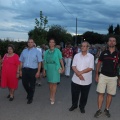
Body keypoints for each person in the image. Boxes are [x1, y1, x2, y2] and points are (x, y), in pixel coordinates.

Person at [94, 36, 120, 118]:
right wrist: (96, 74)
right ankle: (99, 110)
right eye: (110, 41)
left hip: (113, 77)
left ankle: (107, 109)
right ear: (108, 42)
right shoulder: (103, 53)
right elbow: (99, 63)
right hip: (103, 76)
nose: (112, 42)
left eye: (113, 41)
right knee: (101, 93)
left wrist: (119, 78)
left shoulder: (118, 54)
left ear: (115, 43)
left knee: (110, 94)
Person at [69, 41, 94, 113]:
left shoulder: (91, 56)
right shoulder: (76, 55)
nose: (83, 47)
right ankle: (74, 105)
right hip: (75, 79)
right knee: (74, 94)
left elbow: (90, 68)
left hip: (86, 80)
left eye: (84, 46)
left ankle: (82, 107)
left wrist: (80, 73)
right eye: (82, 46)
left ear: (87, 47)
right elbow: (73, 66)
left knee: (84, 95)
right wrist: (79, 74)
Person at [19, 38, 42, 104]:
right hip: (25, 69)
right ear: (27, 43)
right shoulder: (24, 51)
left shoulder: (37, 51)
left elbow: (39, 62)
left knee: (32, 85)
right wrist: (20, 70)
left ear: (33, 43)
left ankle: (30, 98)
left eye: (31, 42)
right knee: (24, 83)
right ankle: (29, 93)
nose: (30, 43)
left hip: (33, 70)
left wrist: (38, 71)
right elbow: (21, 61)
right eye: (29, 42)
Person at [43, 38, 64, 105]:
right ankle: (51, 93)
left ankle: (53, 96)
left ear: (54, 43)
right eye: (50, 42)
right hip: (49, 68)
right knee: (50, 83)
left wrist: (63, 67)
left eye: (53, 42)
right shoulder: (46, 52)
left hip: (56, 68)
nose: (51, 44)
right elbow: (45, 62)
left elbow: (60, 59)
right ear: (49, 43)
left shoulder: (57, 51)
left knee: (54, 83)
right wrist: (44, 70)